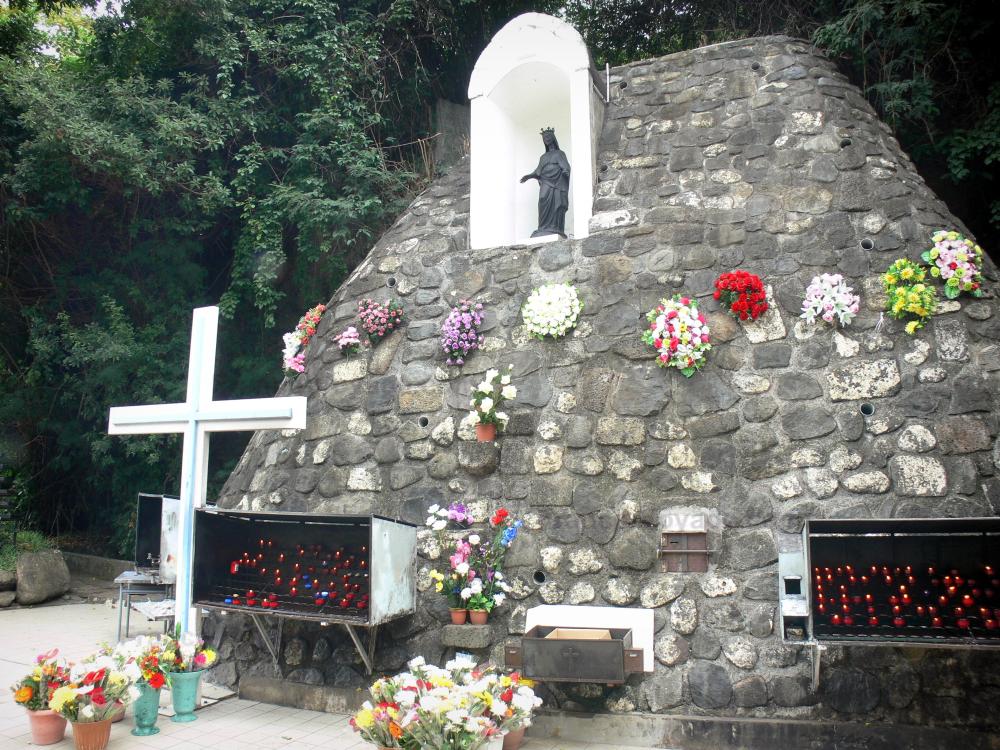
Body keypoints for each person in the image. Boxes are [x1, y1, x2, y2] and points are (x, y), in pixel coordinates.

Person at [520, 128, 570, 237]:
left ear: (553, 138)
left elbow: (565, 166)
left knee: (557, 203)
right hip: (546, 181)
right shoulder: (543, 157)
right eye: (544, 138)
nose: (546, 139)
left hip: (558, 182)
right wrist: (528, 176)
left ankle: (555, 227)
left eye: (548, 137)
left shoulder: (560, 153)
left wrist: (565, 171)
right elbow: (538, 171)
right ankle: (543, 227)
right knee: (542, 199)